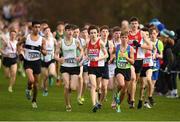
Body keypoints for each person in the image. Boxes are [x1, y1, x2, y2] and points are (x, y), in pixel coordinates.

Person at [17, 20, 47, 108]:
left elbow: (45, 53)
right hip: (28, 61)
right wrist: (20, 54)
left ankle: (34, 100)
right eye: (35, 27)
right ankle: (28, 89)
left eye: (39, 27)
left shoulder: (42, 39)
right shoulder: (27, 37)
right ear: (32, 28)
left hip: (37, 62)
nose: (37, 29)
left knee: (36, 84)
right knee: (31, 80)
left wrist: (41, 49)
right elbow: (18, 44)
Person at [55, 24, 83, 112]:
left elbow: (82, 50)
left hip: (75, 66)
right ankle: (67, 105)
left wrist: (79, 57)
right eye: (68, 30)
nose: (70, 32)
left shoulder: (76, 41)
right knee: (67, 86)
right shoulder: (60, 42)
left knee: (73, 87)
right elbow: (55, 54)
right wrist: (59, 59)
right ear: (65, 31)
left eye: (72, 30)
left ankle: (70, 89)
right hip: (65, 67)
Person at [128, 17, 152, 108]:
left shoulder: (141, 34)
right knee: (133, 79)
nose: (134, 25)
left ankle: (130, 95)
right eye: (132, 23)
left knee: (136, 81)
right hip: (130, 61)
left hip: (139, 60)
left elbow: (150, 46)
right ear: (130, 25)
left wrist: (139, 45)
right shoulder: (128, 34)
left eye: (135, 23)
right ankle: (132, 101)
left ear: (138, 24)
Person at [87, 25, 108, 112]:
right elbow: (86, 54)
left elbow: (106, 55)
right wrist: (81, 60)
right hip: (91, 66)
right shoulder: (87, 43)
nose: (93, 34)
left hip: (99, 67)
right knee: (93, 85)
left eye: (95, 33)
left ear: (97, 33)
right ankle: (93, 104)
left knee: (98, 87)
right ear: (89, 34)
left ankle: (97, 102)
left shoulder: (100, 43)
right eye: (91, 33)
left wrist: (98, 58)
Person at [114, 30, 134, 112]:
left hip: (127, 70)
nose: (124, 39)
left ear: (128, 39)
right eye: (122, 37)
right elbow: (112, 53)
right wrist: (112, 58)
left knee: (124, 91)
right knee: (121, 84)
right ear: (120, 38)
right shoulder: (117, 47)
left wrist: (126, 57)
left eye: (126, 37)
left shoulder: (130, 48)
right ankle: (116, 93)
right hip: (119, 69)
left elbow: (133, 61)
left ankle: (118, 105)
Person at [41, 27, 57, 96]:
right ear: (43, 32)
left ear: (50, 32)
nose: (47, 32)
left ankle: (51, 77)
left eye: (48, 31)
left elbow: (58, 46)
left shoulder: (53, 39)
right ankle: (45, 90)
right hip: (43, 60)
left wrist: (56, 54)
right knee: (45, 76)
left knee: (52, 73)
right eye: (46, 31)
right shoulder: (41, 39)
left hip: (51, 59)